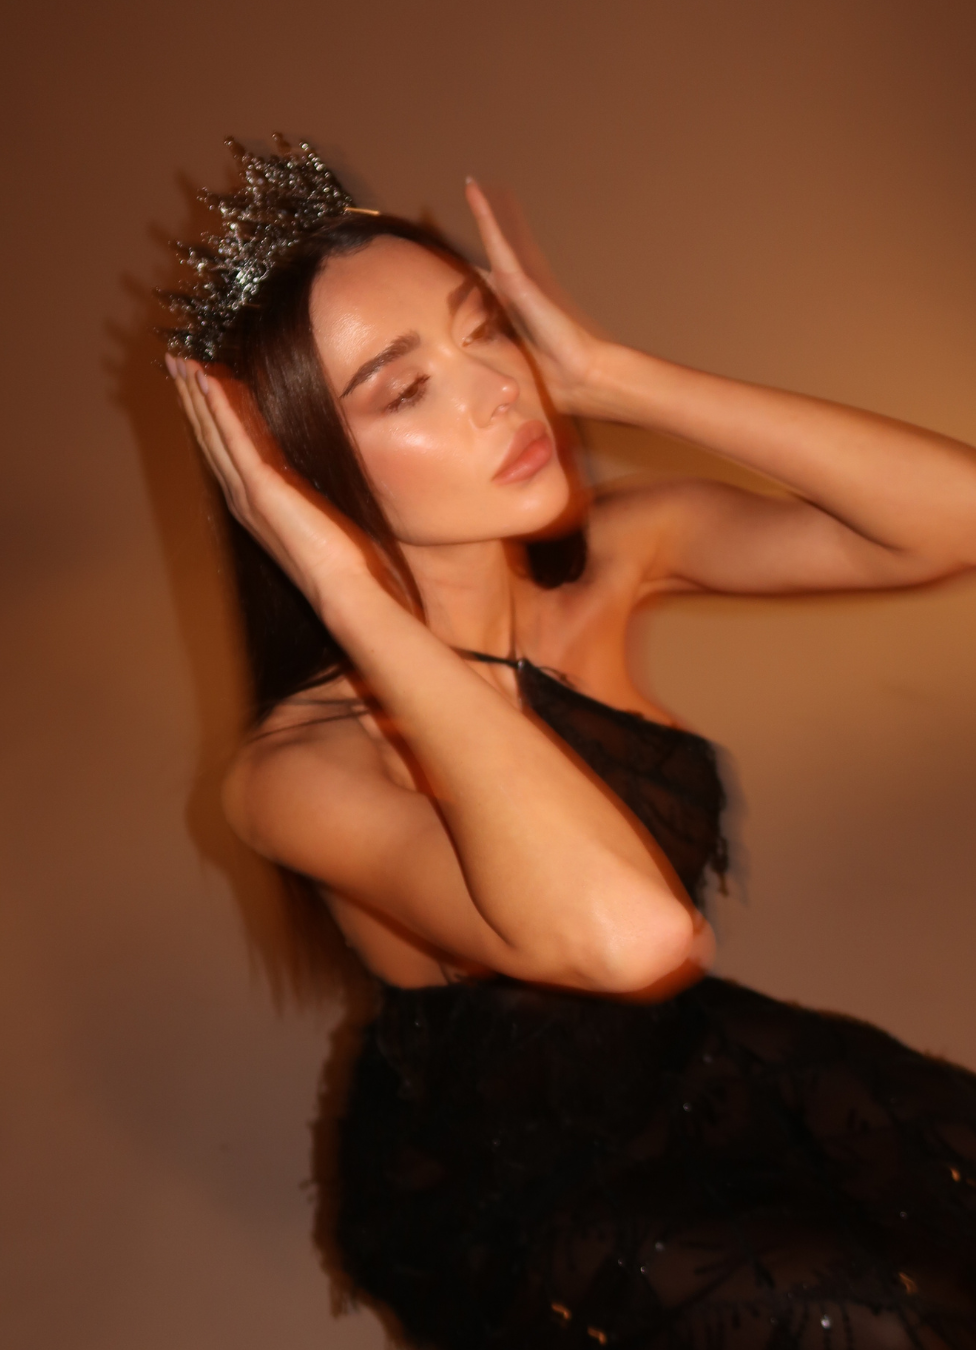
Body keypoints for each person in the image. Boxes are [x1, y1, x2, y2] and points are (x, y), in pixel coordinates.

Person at [161, 138, 976, 1347]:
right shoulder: (297, 772)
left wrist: (620, 378)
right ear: (303, 481)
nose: (501, 387)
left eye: (484, 329)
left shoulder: (609, 561)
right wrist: (346, 594)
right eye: (407, 389)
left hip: (686, 1058)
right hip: (519, 1183)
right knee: (873, 1323)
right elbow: (632, 938)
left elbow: (955, 520)